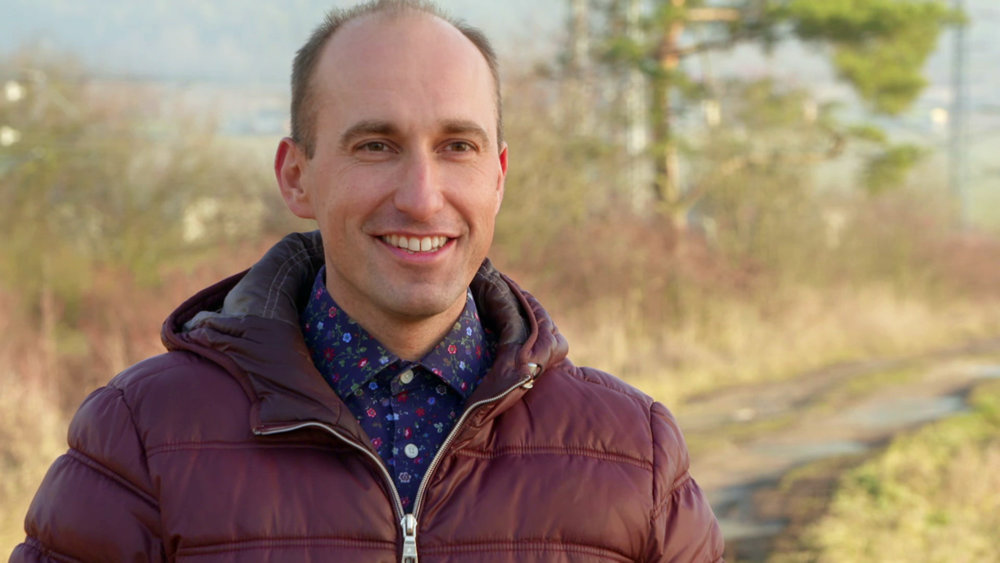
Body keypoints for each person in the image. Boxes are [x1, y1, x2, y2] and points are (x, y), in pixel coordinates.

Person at [12, 1, 724, 561]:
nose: (421, 196)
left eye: (457, 146)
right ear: (297, 177)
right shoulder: (139, 440)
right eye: (376, 145)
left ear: (499, 178)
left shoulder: (635, 454)